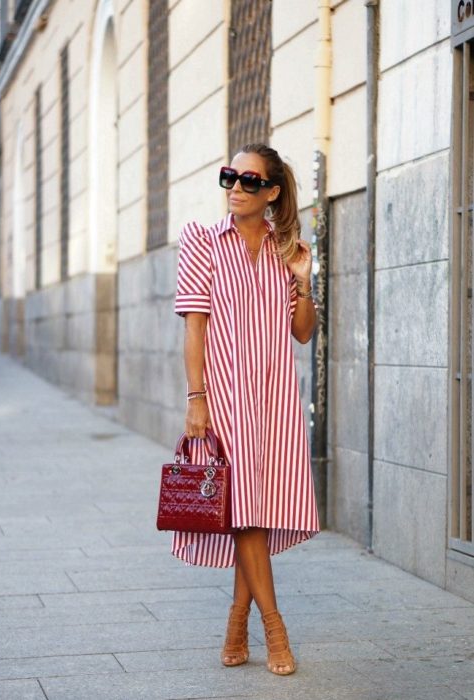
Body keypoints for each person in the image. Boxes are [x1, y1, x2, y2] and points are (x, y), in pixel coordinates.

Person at [173, 143, 320, 676]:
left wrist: (304, 282)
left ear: (272, 192)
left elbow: (301, 332)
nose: (235, 187)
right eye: (229, 176)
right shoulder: (203, 241)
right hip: (226, 397)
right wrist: (197, 398)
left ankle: (237, 619)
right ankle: (275, 629)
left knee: (253, 511)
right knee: (247, 515)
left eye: (249, 180)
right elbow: (195, 325)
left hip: (276, 399)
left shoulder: (289, 252)